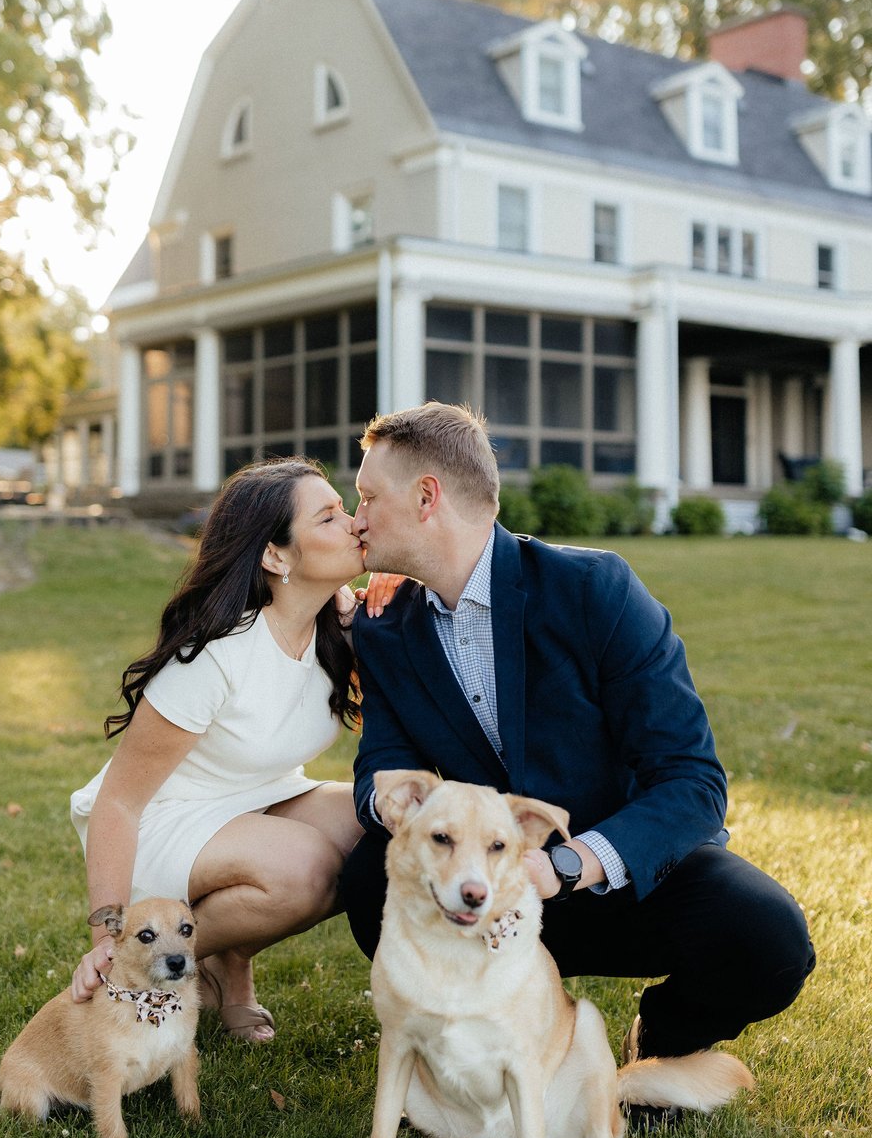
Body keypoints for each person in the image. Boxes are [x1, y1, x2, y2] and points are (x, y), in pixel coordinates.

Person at [341, 402, 815, 1075]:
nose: (355, 516)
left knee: (767, 937)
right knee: (370, 873)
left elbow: (692, 782)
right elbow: (383, 757)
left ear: (426, 497)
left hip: (619, 873)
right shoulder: (385, 629)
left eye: (366, 497)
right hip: (485, 886)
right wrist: (390, 804)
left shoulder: (596, 590)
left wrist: (563, 868)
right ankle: (477, 1037)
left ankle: (663, 1035)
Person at [68, 458, 368, 1042]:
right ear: (275, 556)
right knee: (305, 871)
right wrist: (108, 937)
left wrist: (365, 636)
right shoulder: (215, 654)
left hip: (259, 799)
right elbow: (118, 803)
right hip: (163, 818)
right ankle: (142, 966)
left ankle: (225, 959)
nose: (354, 523)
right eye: (329, 516)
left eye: (346, 509)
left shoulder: (335, 627)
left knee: (375, 822)